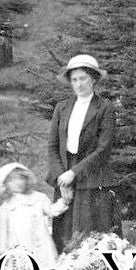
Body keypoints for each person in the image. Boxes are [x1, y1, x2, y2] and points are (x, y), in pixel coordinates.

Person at [44, 54, 118, 252]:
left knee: (91, 235)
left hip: (92, 178)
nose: (79, 84)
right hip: (65, 178)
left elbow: (103, 149)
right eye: (74, 79)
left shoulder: (105, 108)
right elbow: (53, 146)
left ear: (94, 79)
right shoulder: (62, 108)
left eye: (83, 78)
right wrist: (61, 176)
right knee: (65, 237)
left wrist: (74, 172)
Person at [0, 162, 70, 270]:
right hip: (19, 248)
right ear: (5, 184)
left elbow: (52, 210)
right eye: (11, 180)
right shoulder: (5, 208)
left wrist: (64, 201)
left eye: (21, 178)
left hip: (41, 245)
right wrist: (3, 254)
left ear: (26, 179)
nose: (18, 183)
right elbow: (3, 236)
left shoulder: (38, 198)